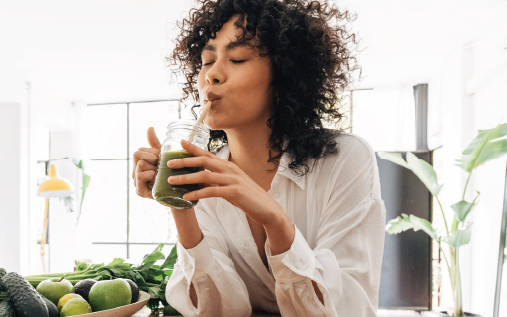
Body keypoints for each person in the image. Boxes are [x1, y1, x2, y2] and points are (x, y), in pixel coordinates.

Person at [131, 0, 386, 316]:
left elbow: (350, 308)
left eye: (236, 59)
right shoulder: (204, 174)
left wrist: (275, 219)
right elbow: (219, 311)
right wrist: (179, 201)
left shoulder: (344, 159)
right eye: (207, 60)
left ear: (283, 76)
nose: (212, 75)